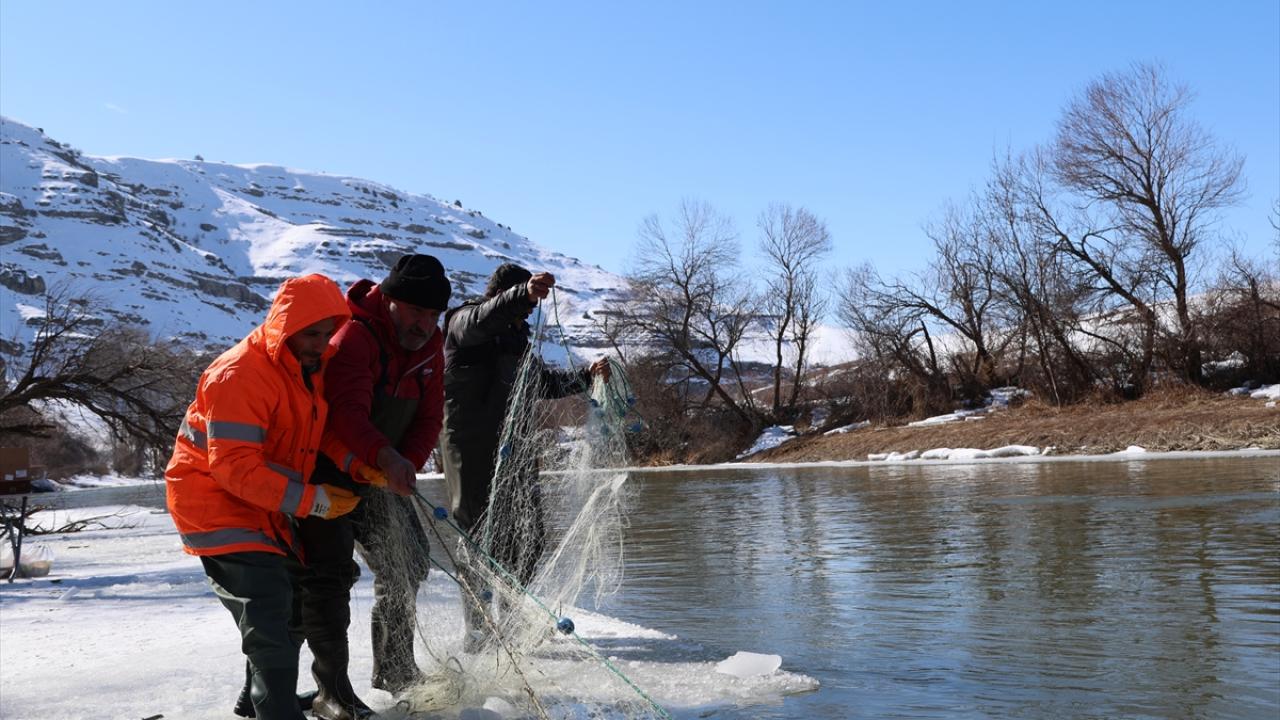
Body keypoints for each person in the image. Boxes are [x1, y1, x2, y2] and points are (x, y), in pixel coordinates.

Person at [165, 274, 358, 720]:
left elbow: (310, 434)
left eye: (328, 334)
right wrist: (315, 501)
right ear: (285, 326)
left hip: (261, 504)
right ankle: (276, 712)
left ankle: (259, 700)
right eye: (311, 333)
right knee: (269, 607)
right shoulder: (240, 375)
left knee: (286, 603)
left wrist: (354, 462)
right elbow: (233, 468)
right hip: (213, 503)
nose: (321, 344)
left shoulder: (301, 370)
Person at [296, 254, 451, 715]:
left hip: (381, 472)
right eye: (415, 312)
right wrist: (387, 458)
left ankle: (397, 668)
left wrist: (409, 463)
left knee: (411, 563)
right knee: (327, 579)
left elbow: (429, 416)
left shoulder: (430, 347)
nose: (424, 324)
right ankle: (329, 691)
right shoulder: (354, 338)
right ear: (388, 301)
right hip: (328, 470)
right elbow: (347, 414)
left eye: (432, 315)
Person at [438, 263, 608, 648]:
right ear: (504, 296)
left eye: (529, 306)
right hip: (471, 448)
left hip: (513, 449)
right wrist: (522, 295)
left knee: (530, 537)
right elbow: (482, 318)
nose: (529, 312)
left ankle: (512, 620)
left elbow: (543, 383)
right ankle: (478, 632)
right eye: (524, 303)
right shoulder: (463, 324)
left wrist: (587, 375)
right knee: (477, 539)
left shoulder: (517, 344)